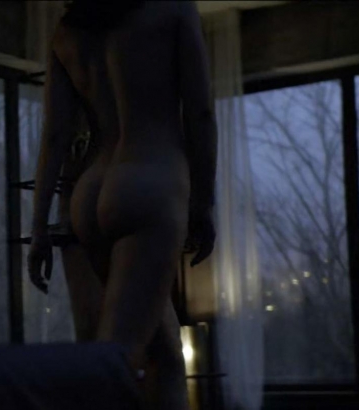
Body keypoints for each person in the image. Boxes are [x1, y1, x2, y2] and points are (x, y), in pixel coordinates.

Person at [27, 1, 217, 409]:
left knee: (164, 354)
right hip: (150, 181)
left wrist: (40, 226)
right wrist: (204, 202)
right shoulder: (174, 9)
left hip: (91, 190)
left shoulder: (68, 30)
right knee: (117, 358)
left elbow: (55, 134)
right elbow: (200, 112)